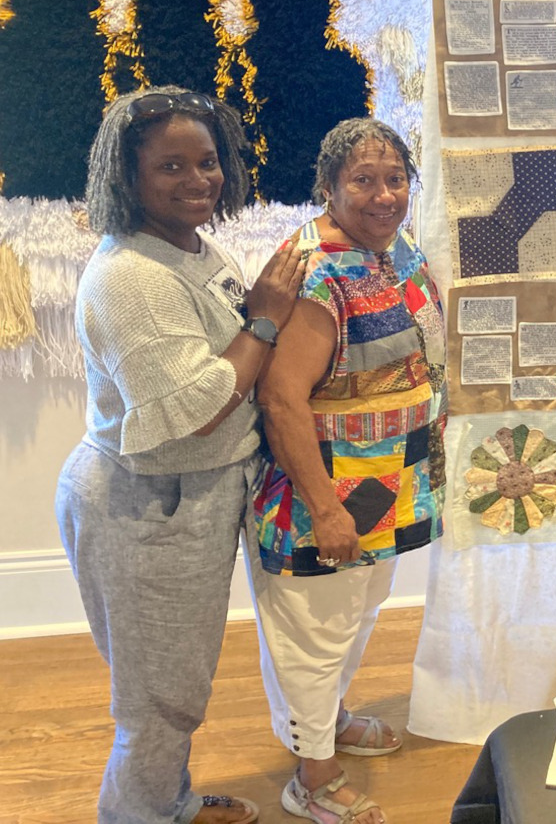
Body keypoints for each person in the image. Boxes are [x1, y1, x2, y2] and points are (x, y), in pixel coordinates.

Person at [55, 86, 303, 824]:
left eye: (207, 161)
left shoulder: (191, 245)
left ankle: (169, 798)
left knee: (176, 677)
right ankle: (141, 812)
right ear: (125, 177)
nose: (199, 180)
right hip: (145, 504)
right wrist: (265, 314)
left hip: (188, 496)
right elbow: (196, 408)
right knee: (158, 694)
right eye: (171, 166)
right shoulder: (129, 276)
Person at [245, 117, 447, 824]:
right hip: (323, 494)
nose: (384, 194)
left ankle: (326, 718)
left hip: (389, 486)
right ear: (328, 187)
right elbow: (280, 396)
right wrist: (325, 507)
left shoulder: (396, 250)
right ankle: (313, 772)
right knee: (314, 631)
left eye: (395, 178)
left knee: (354, 617)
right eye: (363, 179)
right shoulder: (318, 270)